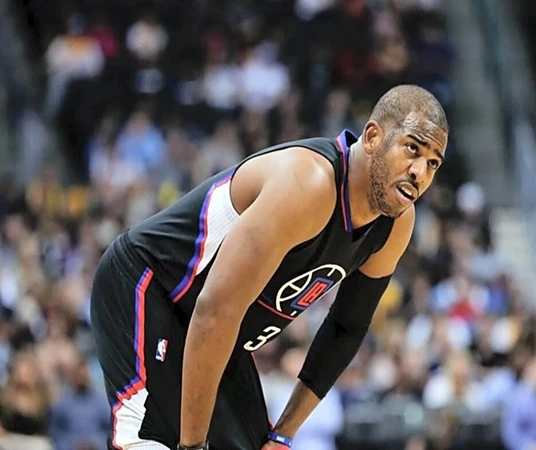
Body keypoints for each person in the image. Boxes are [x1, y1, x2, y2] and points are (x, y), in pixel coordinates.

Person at [90, 84, 449, 450]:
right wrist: (192, 446)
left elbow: (347, 328)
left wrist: (283, 433)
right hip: (151, 288)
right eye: (412, 149)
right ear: (372, 137)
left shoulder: (395, 224)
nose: (420, 172)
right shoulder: (308, 183)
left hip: (220, 336)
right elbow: (216, 309)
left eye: (433, 163)